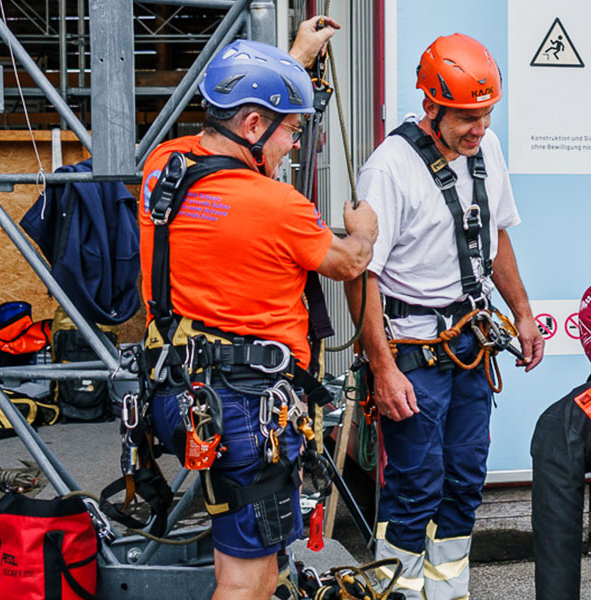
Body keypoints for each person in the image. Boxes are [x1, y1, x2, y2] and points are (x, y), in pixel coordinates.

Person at [135, 21, 372, 600]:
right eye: (289, 130)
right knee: (246, 583)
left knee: (259, 570)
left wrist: (291, 61)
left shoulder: (162, 169)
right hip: (243, 411)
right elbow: (346, 264)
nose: (294, 144)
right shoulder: (276, 205)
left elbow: (234, 108)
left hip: (174, 392)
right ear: (252, 125)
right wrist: (362, 232)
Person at [345, 32, 545, 600]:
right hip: (412, 353)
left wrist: (523, 314)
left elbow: (496, 235)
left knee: (463, 482)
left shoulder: (486, 149)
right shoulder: (389, 169)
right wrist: (384, 369)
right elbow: (365, 277)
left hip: (470, 344)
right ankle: (398, 592)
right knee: (415, 487)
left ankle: (448, 591)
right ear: (431, 105)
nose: (478, 128)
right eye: (466, 117)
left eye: (485, 114)